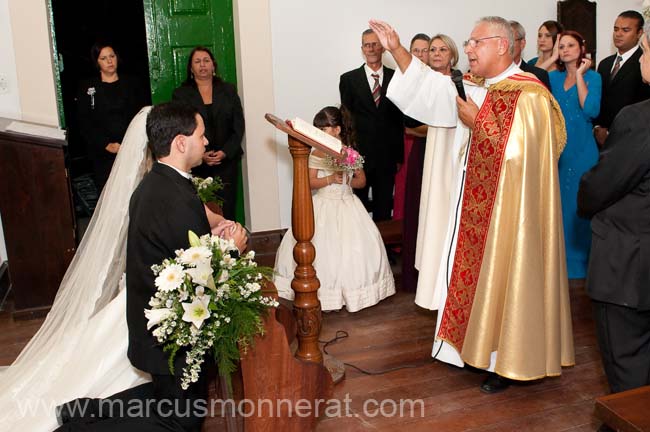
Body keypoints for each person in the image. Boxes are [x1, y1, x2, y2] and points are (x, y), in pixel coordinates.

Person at [0, 105, 246, 431]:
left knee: (170, 399)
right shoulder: (172, 198)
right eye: (201, 135)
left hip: (153, 324)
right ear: (181, 143)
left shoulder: (161, 183)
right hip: (166, 335)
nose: (207, 141)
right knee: (181, 421)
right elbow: (195, 279)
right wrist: (232, 248)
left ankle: (81, 410)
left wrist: (210, 236)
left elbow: (178, 246)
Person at [370, 16, 574, 393]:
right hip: (473, 207)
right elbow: (431, 91)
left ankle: (505, 361)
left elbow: (526, 159)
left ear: (501, 45)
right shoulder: (481, 86)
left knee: (505, 277)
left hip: (510, 214)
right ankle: (468, 347)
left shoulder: (529, 95)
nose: (467, 50)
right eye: (467, 43)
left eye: (475, 42)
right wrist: (396, 49)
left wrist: (477, 122)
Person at [577, 19, 650, 411]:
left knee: (629, 370)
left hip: (631, 265)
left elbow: (598, 188)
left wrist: (584, 200)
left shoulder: (640, 118)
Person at [274, 106, 395, 312]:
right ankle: (324, 294)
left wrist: (347, 180)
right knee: (322, 248)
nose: (319, 133)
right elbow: (310, 182)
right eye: (318, 129)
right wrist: (330, 179)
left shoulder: (349, 153)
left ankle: (355, 294)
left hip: (348, 205)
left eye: (324, 129)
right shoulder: (316, 153)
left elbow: (362, 181)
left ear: (337, 130)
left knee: (353, 250)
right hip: (323, 205)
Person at [550, 31, 601, 279]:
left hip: (584, 150)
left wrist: (580, 75)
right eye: (561, 46)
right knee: (559, 204)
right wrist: (550, 58)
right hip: (559, 150)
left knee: (580, 205)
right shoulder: (552, 78)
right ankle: (560, 263)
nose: (566, 50)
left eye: (571, 45)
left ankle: (583, 263)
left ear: (582, 48)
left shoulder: (594, 77)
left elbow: (590, 109)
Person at [173, 46, 245, 221]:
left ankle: (230, 245)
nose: (202, 65)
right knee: (199, 212)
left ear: (213, 65)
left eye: (206, 60)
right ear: (191, 68)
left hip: (226, 163)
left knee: (227, 211)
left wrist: (226, 152)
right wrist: (201, 155)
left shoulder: (228, 90)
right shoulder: (181, 94)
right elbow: (180, 128)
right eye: (197, 62)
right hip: (197, 164)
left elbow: (239, 126)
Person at [339, 29, 404, 222]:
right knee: (357, 207)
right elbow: (346, 121)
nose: (372, 48)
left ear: (383, 48)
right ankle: (360, 249)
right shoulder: (349, 80)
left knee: (384, 207)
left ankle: (382, 249)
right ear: (362, 49)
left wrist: (398, 155)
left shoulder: (397, 77)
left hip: (387, 156)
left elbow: (399, 119)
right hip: (360, 157)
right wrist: (349, 155)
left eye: (375, 44)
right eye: (367, 44)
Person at [77, 42, 148, 194]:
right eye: (104, 58)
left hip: (130, 148)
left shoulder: (132, 84)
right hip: (103, 153)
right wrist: (105, 144)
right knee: (110, 195)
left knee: (135, 192)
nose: (109, 61)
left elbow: (140, 115)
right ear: (97, 62)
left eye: (112, 56)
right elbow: (85, 122)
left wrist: (130, 143)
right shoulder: (88, 88)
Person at [593, 10, 650, 148]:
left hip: (633, 138)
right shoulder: (605, 64)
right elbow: (600, 98)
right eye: (616, 29)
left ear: (639, 33)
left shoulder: (644, 63)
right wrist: (598, 127)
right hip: (601, 137)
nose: (618, 34)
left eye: (625, 30)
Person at [393, 33, 430, 223]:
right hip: (405, 142)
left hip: (429, 142)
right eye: (416, 50)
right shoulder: (400, 77)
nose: (421, 55)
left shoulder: (436, 79)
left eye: (425, 50)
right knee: (404, 189)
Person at [509, 20, 551, 89]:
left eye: (511, 41)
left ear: (522, 44)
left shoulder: (537, 75)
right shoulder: (492, 74)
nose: (506, 45)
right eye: (502, 41)